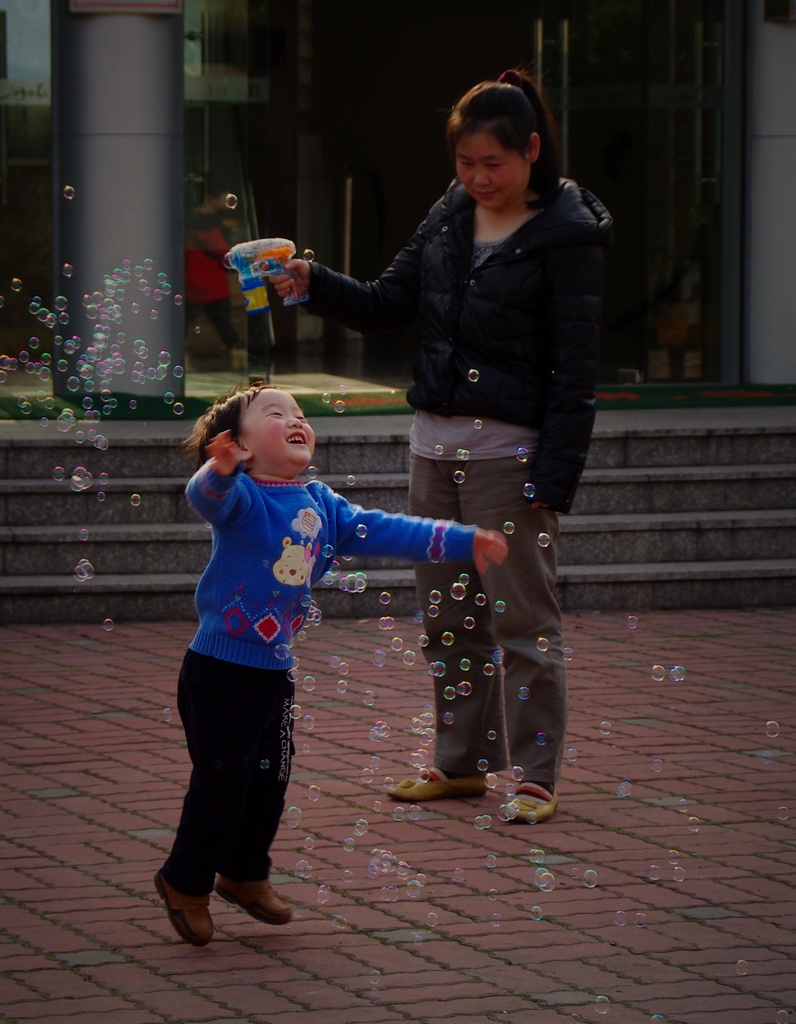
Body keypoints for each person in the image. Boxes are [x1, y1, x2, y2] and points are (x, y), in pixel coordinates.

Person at [272, 69, 613, 824]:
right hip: (435, 451)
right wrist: (311, 282)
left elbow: (574, 372)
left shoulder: (568, 233)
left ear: (531, 150)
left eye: (493, 163)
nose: (478, 178)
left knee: (522, 621)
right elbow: (389, 301)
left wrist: (553, 481)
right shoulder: (450, 214)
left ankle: (534, 777)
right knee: (449, 619)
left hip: (510, 459)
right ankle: (461, 765)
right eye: (465, 163)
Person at [154, 382, 508, 946]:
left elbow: (391, 531)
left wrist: (462, 540)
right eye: (274, 413)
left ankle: (244, 874)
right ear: (240, 447)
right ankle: (185, 882)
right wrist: (216, 471)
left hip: (273, 673)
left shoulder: (321, 504)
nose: (295, 418)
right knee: (221, 783)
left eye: (299, 412)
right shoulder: (242, 496)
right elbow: (206, 498)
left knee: (269, 782)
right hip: (219, 673)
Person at [184, 190, 247, 371]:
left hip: (195, 280)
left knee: (186, 323)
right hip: (212, 281)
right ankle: (239, 352)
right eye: (223, 197)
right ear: (211, 197)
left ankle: (177, 354)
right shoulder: (211, 223)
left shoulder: (191, 220)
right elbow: (220, 249)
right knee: (223, 322)